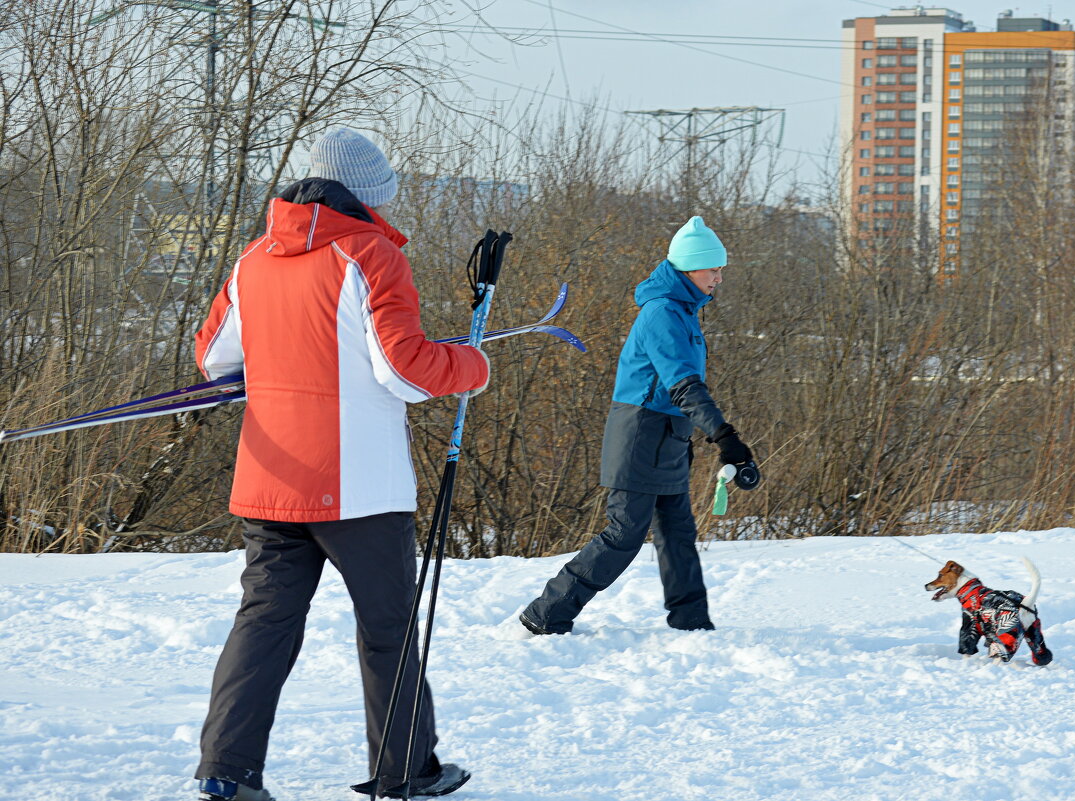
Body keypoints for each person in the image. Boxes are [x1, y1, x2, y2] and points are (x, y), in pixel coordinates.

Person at [192, 129, 487, 801]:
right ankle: (404, 769)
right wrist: (472, 364)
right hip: (360, 488)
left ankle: (226, 770)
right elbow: (405, 369)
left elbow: (213, 361)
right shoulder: (371, 254)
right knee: (387, 628)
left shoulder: (254, 258)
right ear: (367, 198)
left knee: (263, 624)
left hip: (271, 481)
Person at [519, 216, 753, 636]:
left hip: (668, 438)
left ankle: (691, 620)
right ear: (687, 269)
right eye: (712, 269)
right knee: (624, 534)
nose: (719, 277)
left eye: (721, 269)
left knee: (678, 533)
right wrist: (725, 436)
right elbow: (682, 385)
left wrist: (700, 436)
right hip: (641, 437)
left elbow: (681, 392)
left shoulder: (684, 311)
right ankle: (547, 611)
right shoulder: (663, 314)